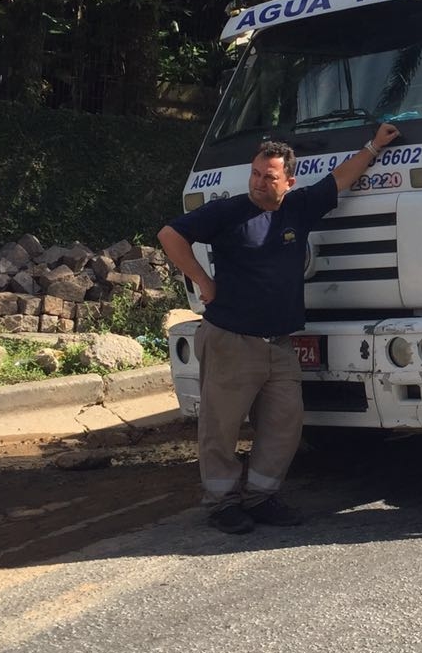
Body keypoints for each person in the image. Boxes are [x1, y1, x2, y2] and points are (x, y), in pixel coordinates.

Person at [158, 124, 400, 534]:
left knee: (284, 426)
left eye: (268, 176)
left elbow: (340, 178)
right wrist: (203, 281)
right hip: (231, 340)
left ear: (289, 181)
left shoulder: (298, 208)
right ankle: (222, 504)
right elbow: (169, 234)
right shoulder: (228, 212)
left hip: (280, 345)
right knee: (221, 429)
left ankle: (261, 497)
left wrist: (374, 147)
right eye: (255, 173)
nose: (257, 182)